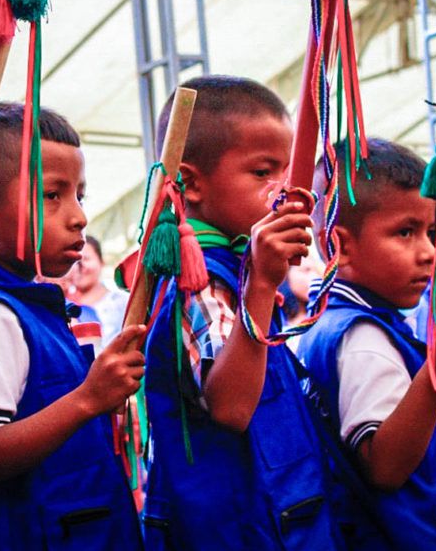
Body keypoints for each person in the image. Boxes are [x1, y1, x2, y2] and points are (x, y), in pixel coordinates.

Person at [0, 103, 143, 550]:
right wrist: (88, 400)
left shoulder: (32, 306)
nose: (79, 216)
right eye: (53, 195)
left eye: (79, 196)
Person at [142, 76, 338, 550]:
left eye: (286, 175)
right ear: (189, 184)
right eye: (262, 173)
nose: (282, 193)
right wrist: (264, 284)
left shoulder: (239, 266)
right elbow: (230, 406)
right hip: (235, 529)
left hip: (282, 518)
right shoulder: (201, 279)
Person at [298, 138, 436, 550]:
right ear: (340, 245)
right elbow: (383, 466)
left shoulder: (329, 322)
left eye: (431, 232)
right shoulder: (362, 338)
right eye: (405, 232)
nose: (428, 252)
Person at [72, 235, 128, 345]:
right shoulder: (65, 307)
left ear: (101, 261)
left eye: (86, 259)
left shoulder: (122, 302)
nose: (81, 266)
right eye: (74, 262)